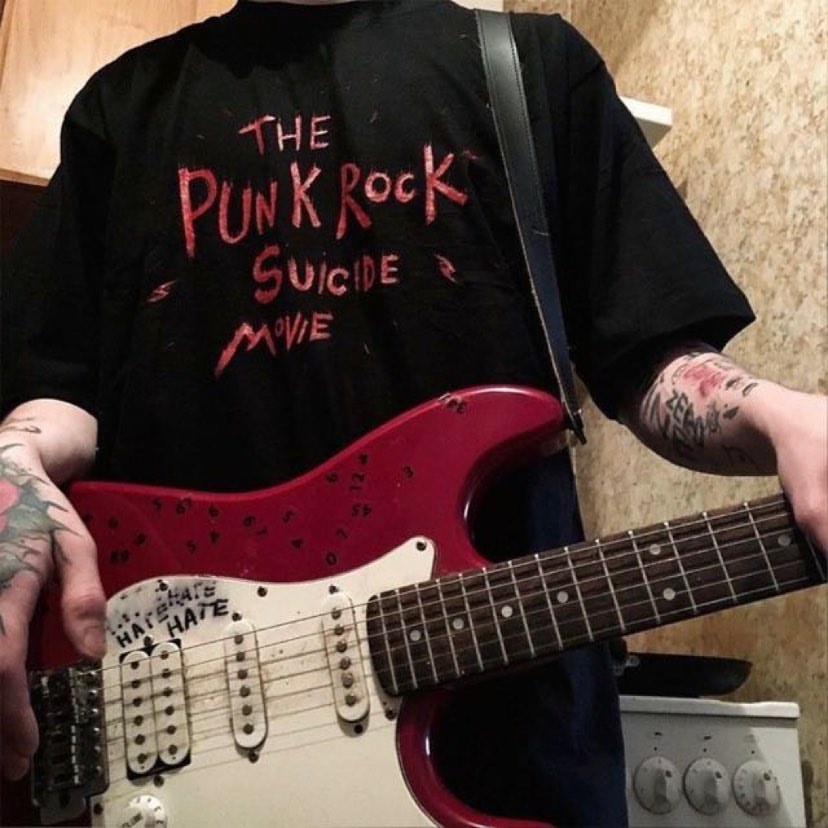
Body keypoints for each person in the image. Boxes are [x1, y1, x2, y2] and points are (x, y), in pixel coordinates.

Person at [1, 0, 825, 825]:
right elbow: (54, 390)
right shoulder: (121, 107)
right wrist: (15, 471)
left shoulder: (528, 64)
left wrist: (782, 418)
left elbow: (652, 360)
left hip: (512, 751)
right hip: (183, 738)